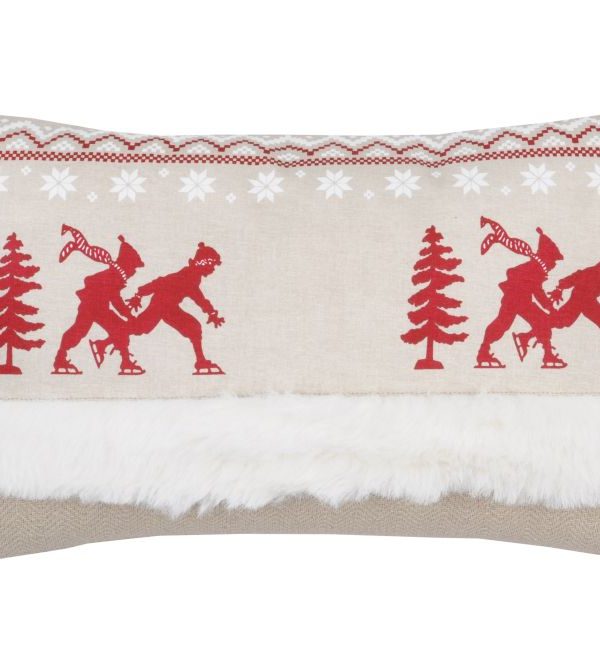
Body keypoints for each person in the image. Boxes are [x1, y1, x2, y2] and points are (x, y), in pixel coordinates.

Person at [90, 242, 225, 375]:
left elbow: (167, 284)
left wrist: (140, 294)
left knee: (193, 328)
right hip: (161, 306)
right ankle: (102, 345)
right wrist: (140, 294)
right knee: (138, 328)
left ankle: (200, 362)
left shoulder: (192, 275)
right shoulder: (189, 276)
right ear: (203, 263)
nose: (213, 269)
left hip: (169, 308)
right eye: (212, 265)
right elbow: (173, 287)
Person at [53, 235, 145, 375]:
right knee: (79, 330)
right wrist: (129, 316)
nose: (134, 271)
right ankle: (60, 358)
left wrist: (128, 315)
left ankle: (125, 361)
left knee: (119, 329)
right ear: (126, 265)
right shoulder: (113, 277)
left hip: (100, 309)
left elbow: (115, 299)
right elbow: (116, 300)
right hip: (90, 308)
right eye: (133, 267)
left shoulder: (115, 276)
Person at [476, 227, 566, 369]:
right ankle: (484, 352)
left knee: (508, 323)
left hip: (520, 301)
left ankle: (484, 351)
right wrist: (551, 308)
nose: (553, 265)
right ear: (546, 258)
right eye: (553, 260)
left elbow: (535, 290)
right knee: (505, 324)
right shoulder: (534, 269)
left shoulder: (535, 268)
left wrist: (549, 307)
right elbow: (538, 292)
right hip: (516, 301)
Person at [513, 261, 600, 359]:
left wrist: (560, 288)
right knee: (561, 320)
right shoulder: (594, 271)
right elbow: (576, 277)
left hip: (584, 299)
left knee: (560, 321)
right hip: (583, 299)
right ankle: (526, 337)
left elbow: (576, 276)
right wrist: (559, 288)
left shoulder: (593, 270)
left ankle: (526, 336)